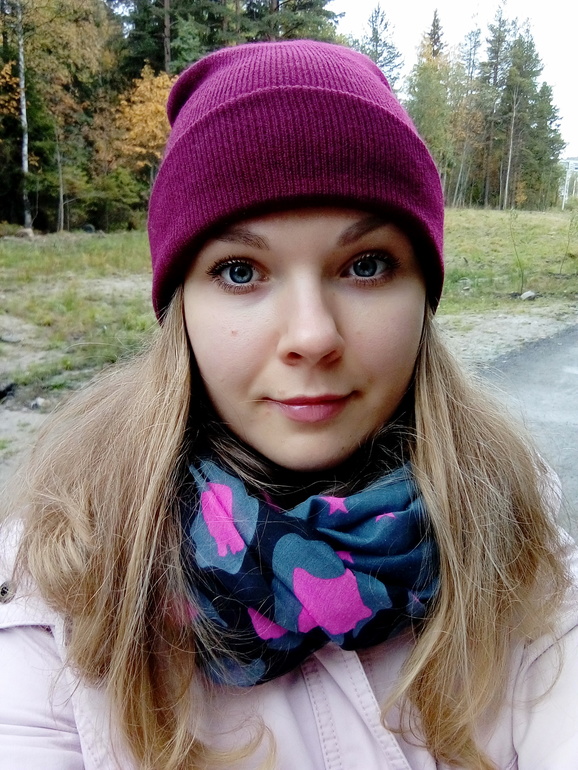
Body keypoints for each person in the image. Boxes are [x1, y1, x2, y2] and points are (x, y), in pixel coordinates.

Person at [0, 40, 577, 770]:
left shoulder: (517, 545)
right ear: (182, 308)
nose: (312, 336)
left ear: (423, 297)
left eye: (366, 265)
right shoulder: (67, 589)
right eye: (241, 271)